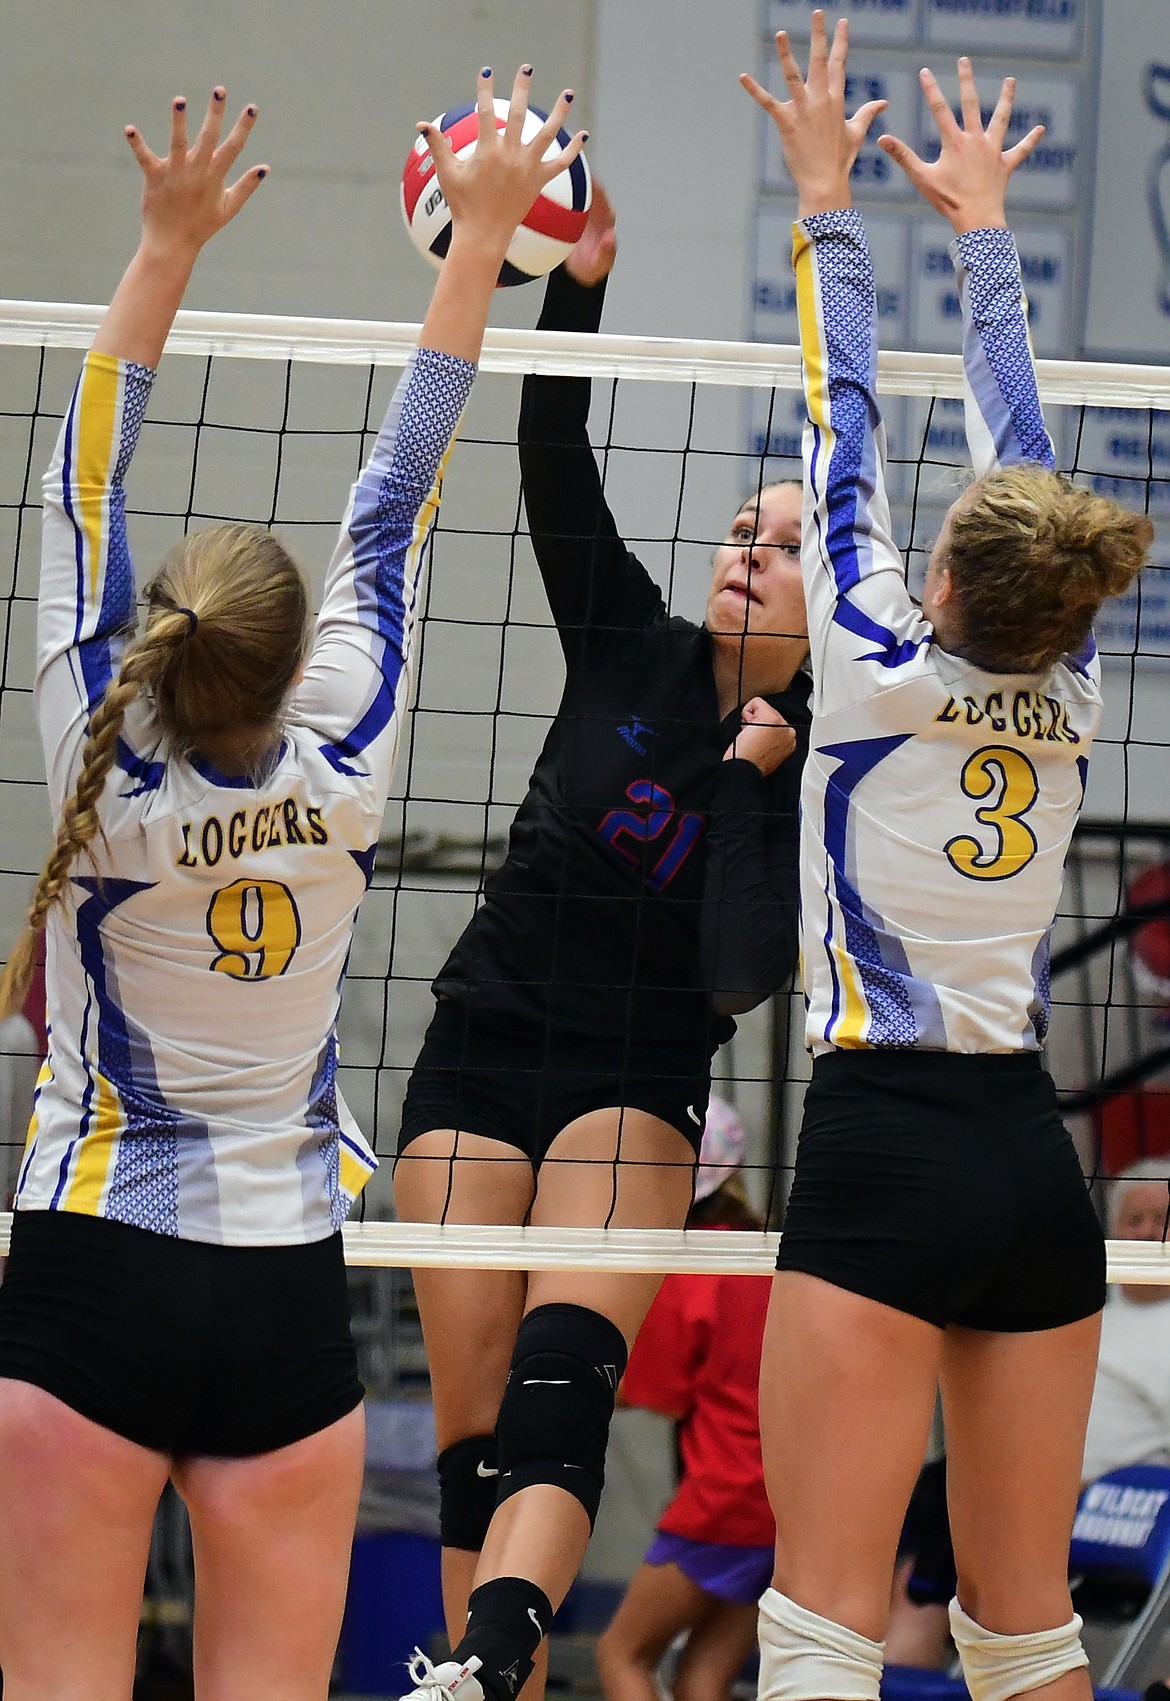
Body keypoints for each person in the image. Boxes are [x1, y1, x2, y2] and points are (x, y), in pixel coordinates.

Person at [0, 68, 584, 1701]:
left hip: (86, 1276)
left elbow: (78, 488)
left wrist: (163, 245)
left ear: (157, 654)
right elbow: (397, 494)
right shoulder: (350, 749)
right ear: (281, 656)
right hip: (279, 1300)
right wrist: (476, 245)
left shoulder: (95, 766)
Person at [737, 16, 1155, 1701]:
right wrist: (981, 229)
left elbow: (848, 425)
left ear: (945, 592)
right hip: (1026, 1168)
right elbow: (1020, 459)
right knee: (1025, 1631)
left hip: (884, 1151)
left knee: (825, 1624)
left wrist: (830, 196)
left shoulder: (867, 666)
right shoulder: (1078, 687)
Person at [393, 182, 812, 1701]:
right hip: (479, 1039)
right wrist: (577, 284)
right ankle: (461, 1673)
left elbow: (738, 977)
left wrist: (755, 791)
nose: (743, 551)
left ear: (824, 615)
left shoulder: (806, 760)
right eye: (737, 529)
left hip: (633, 1080)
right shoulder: (627, 635)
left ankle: (492, 1663)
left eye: (777, 544)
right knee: (468, 1425)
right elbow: (551, 450)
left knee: (561, 1388)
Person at [887, 1158, 1170, 1671]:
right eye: (1136, 1220)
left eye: (1164, 1219)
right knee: (925, 1485)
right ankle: (902, 1652)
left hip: (1081, 1500)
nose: (1151, 1232)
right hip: (998, 1478)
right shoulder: (1083, 1307)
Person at [596, 1098, 774, 1701]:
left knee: (622, 1655)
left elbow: (655, 1390)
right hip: (791, 1501)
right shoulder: (763, 1253)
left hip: (729, 1497)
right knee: (703, 1681)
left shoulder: (691, 1264)